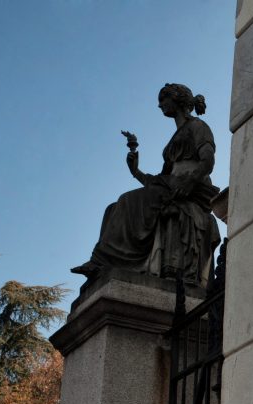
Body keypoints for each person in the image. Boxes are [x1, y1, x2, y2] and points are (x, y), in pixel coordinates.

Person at [72, 83, 221, 286]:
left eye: (163, 100)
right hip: (170, 185)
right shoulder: (176, 136)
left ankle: (102, 261)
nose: (159, 105)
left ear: (176, 99)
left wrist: (189, 181)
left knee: (126, 200)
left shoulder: (198, 126)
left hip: (192, 187)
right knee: (112, 209)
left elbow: (208, 161)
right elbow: (159, 181)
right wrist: (136, 172)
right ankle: (101, 262)